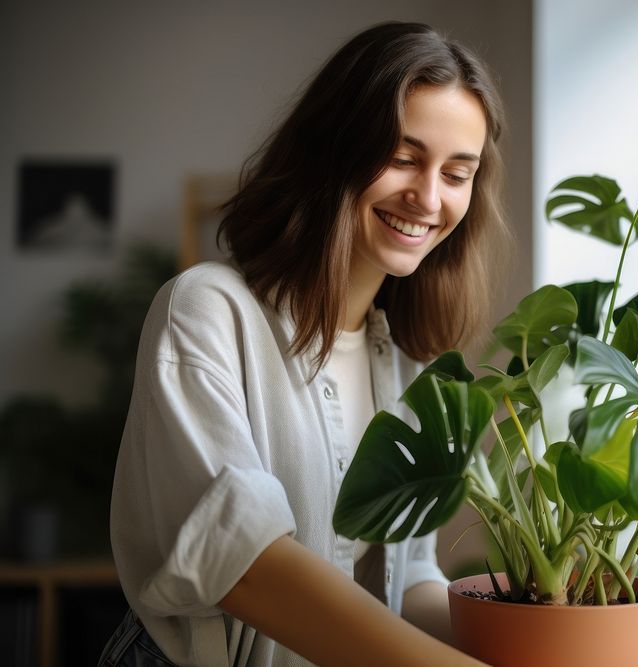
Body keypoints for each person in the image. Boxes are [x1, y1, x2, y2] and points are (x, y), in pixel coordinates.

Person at [100, 21, 510, 666]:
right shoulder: (207, 309)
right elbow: (246, 565)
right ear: (332, 149)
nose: (428, 197)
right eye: (403, 158)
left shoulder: (410, 360)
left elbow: (411, 581)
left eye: (457, 174)